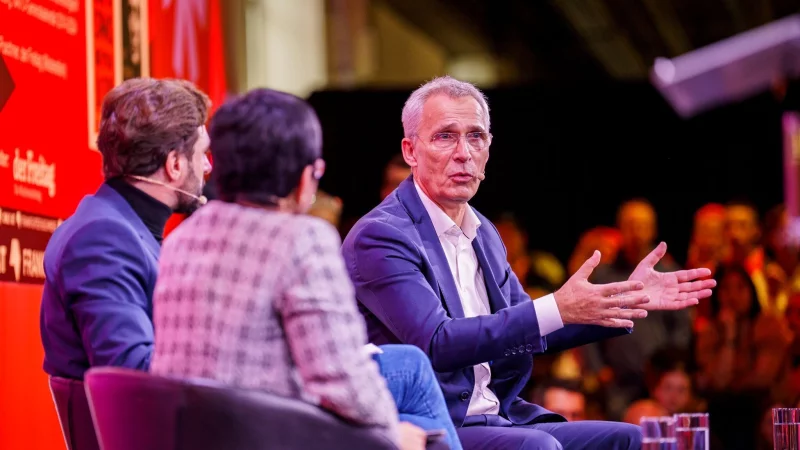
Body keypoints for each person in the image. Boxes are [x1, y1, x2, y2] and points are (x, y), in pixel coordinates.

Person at [341, 76, 716, 450]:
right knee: (537, 448)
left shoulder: (483, 231)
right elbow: (438, 342)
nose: (463, 153)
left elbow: (527, 328)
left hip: (501, 414)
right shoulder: (382, 235)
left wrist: (626, 299)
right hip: (436, 424)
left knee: (637, 439)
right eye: (445, 136)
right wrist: (556, 306)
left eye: (475, 137)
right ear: (410, 151)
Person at [148, 88, 462, 450]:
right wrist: (393, 436)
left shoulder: (182, 237)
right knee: (418, 422)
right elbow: (341, 381)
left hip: (196, 434)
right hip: (269, 432)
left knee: (412, 387)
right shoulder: (301, 239)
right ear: (303, 179)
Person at [40, 78, 211, 380]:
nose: (207, 167)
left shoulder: (114, 227)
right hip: (142, 426)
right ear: (175, 164)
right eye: (201, 154)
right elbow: (130, 373)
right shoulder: (102, 238)